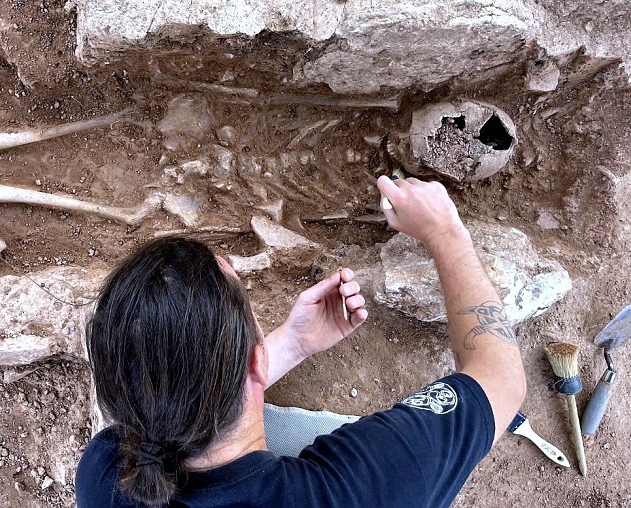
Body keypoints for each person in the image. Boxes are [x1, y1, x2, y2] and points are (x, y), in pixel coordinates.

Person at [75, 176, 527, 507]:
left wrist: (291, 344)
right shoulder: (362, 487)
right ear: (256, 362)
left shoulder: (105, 476)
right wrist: (446, 232)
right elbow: (501, 379)